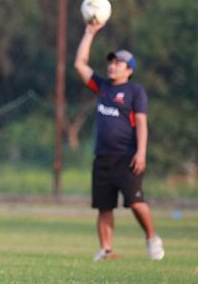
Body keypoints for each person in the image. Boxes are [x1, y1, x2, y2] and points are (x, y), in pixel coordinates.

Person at [73, 18, 164, 261]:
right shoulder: (103, 87)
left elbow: (142, 123)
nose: (113, 66)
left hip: (127, 157)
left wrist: (141, 152)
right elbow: (80, 64)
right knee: (104, 206)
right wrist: (89, 33)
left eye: (119, 63)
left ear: (129, 69)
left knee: (135, 202)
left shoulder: (136, 92)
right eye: (112, 62)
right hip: (103, 156)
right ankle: (106, 249)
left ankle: (152, 238)